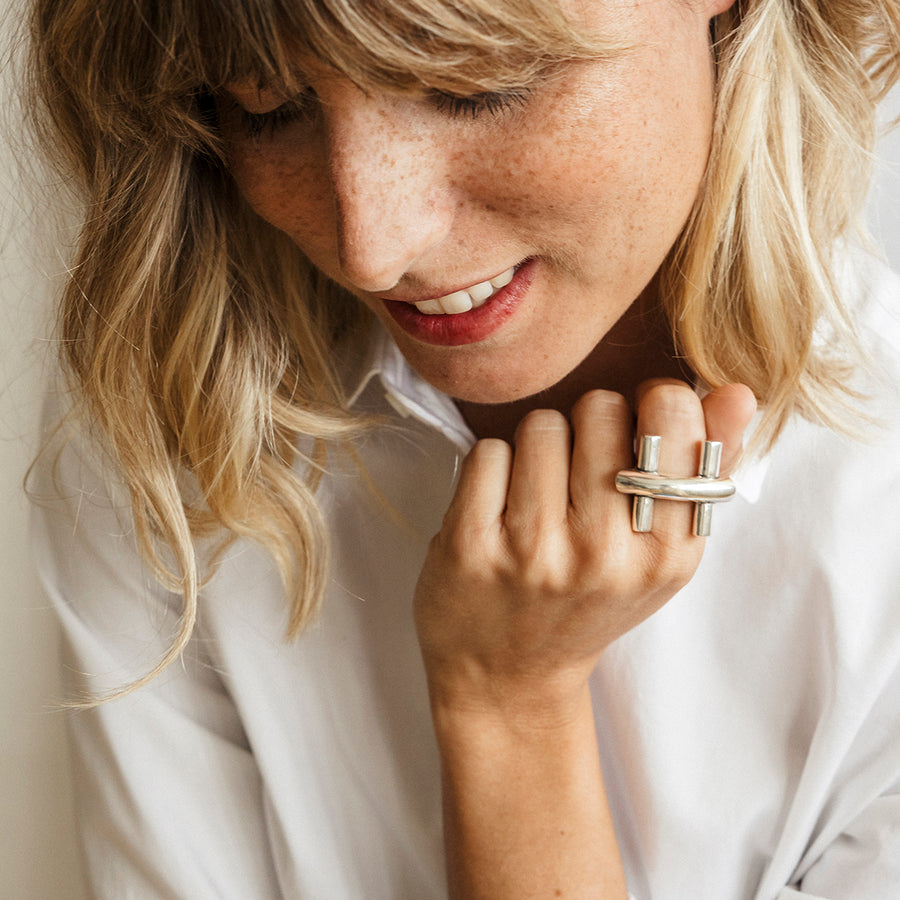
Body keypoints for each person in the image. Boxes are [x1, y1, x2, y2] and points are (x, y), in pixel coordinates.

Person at [26, 0, 900, 896]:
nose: (373, 246)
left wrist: (509, 707)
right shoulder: (178, 403)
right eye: (268, 110)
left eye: (471, 84)